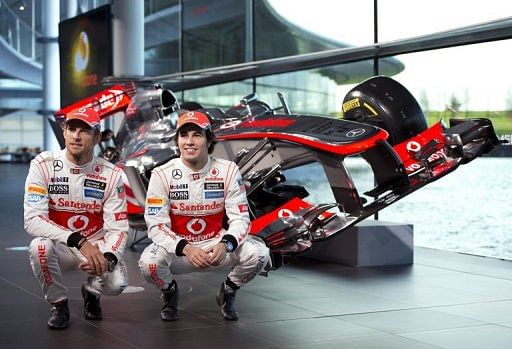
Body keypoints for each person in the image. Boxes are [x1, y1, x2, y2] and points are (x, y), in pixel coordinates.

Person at [138, 110, 270, 321]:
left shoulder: (228, 170)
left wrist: (225, 244)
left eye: (197, 135)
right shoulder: (161, 174)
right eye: (184, 135)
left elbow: (241, 219)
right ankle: (170, 292)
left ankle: (228, 291)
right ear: (177, 140)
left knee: (260, 253)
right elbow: (156, 225)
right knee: (148, 263)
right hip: (178, 249)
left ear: (209, 140)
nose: (189, 142)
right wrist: (186, 248)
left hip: (215, 246)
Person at [24, 107, 129, 330]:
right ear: (64, 132)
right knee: (39, 247)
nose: (76, 136)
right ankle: (59, 304)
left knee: (116, 285)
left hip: (97, 247)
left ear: (97, 137)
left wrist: (108, 257)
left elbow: (118, 228)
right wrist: (78, 240)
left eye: (84, 130)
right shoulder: (43, 165)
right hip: (63, 246)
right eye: (72, 129)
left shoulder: (111, 174)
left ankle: (92, 291)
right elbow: (32, 219)